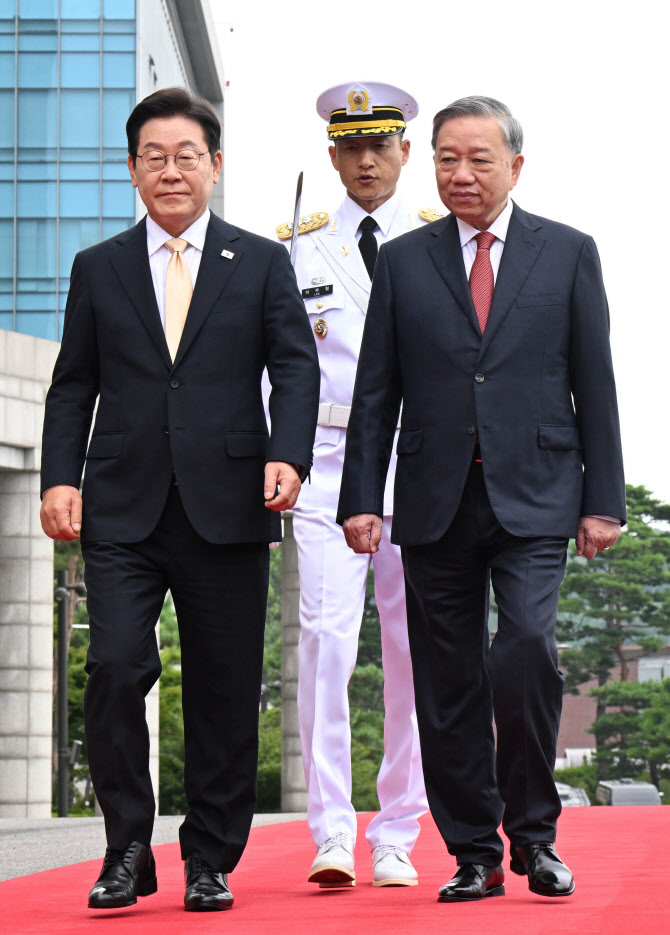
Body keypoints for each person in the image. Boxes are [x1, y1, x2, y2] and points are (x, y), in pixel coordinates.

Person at [337, 96, 625, 902]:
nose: (460, 173)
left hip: (536, 494)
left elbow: (594, 381)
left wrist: (603, 500)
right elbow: (376, 390)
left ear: (515, 167)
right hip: (434, 499)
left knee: (526, 648)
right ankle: (473, 850)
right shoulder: (403, 261)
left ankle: (535, 835)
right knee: (446, 680)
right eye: (446, 159)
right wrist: (362, 497)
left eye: (479, 159)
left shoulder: (567, 252)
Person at [40, 86, 319, 913]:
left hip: (229, 502)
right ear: (132, 169)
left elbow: (294, 366)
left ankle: (209, 857)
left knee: (224, 687)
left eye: (186, 156)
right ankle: (126, 846)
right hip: (121, 506)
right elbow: (74, 382)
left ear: (215, 165)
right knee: (115, 665)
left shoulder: (260, 261)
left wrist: (289, 454)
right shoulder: (99, 267)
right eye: (154, 157)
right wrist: (59, 476)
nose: (170, 170)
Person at [278, 82, 433, 889]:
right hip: (328, 458)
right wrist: (279, 455)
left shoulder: (436, 240)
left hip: (418, 462)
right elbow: (275, 365)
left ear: (405, 151)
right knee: (325, 641)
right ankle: (333, 829)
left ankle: (398, 828)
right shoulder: (299, 248)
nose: (367, 161)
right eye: (352, 148)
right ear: (333, 156)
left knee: (414, 652)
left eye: (380, 146)